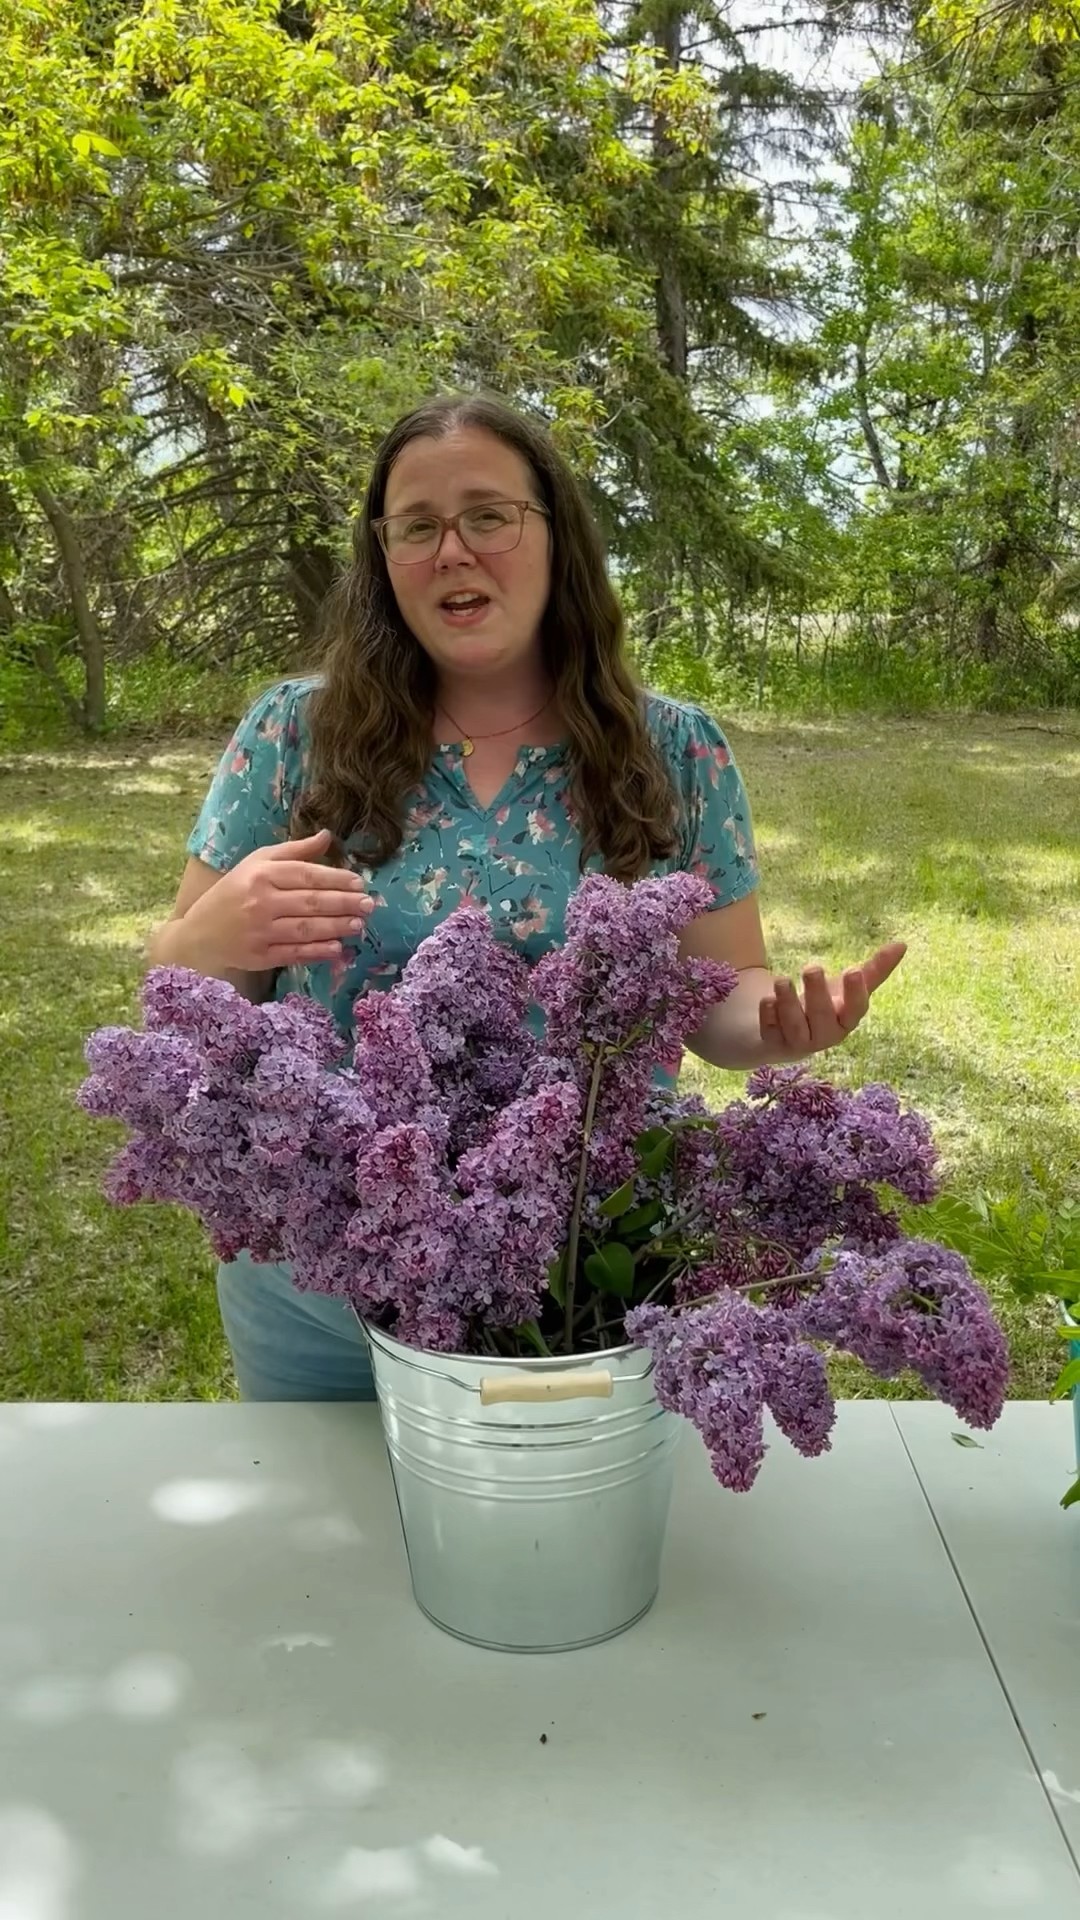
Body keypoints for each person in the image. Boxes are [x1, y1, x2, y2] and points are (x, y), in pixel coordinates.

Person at [146, 391, 905, 1402]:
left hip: (585, 1269)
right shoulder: (296, 737)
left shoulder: (675, 752)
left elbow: (721, 993)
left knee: (552, 1547)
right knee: (323, 1544)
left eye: (488, 515)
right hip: (316, 1257)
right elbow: (182, 990)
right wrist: (213, 933)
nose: (451, 550)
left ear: (557, 538)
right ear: (384, 559)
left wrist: (776, 1024)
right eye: (416, 526)